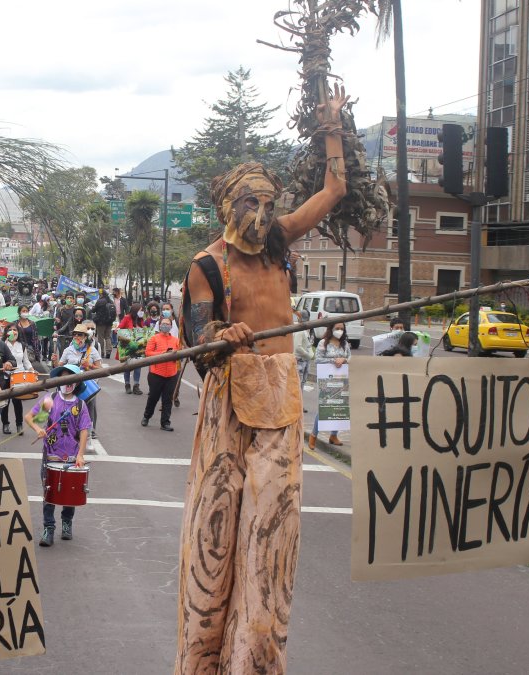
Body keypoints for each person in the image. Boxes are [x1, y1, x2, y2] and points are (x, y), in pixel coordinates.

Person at [176, 84, 350, 672]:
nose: (262, 214)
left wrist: (332, 129)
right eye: (251, 203)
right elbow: (197, 345)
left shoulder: (279, 242)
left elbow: (334, 191)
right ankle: (202, 660)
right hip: (230, 402)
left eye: (269, 203)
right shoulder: (207, 266)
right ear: (228, 206)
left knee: (271, 536)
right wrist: (219, 338)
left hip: (282, 397)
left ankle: (254, 660)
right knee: (216, 531)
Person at [23, 366, 90, 547]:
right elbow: (30, 417)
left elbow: (84, 430)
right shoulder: (51, 400)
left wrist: (80, 455)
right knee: (49, 492)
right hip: (51, 456)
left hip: (71, 457)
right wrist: (38, 429)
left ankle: (67, 523)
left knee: (70, 492)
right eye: (63, 378)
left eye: (70, 379)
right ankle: (49, 528)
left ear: (76, 383)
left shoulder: (80, 405)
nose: (66, 383)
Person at [309, 322, 350, 448]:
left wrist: (344, 359)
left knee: (339, 407)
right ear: (331, 329)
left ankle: (334, 435)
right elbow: (317, 359)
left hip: (342, 379)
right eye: (337, 328)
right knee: (325, 407)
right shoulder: (323, 343)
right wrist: (334, 360)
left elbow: (350, 357)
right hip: (327, 380)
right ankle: (313, 435)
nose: (340, 331)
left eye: (342, 329)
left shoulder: (345, 344)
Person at [57, 323, 101, 439]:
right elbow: (59, 367)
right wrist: (55, 361)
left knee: (89, 409)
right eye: (75, 334)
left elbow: (100, 369)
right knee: (69, 409)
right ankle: (71, 432)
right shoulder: (68, 350)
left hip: (88, 386)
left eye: (80, 334)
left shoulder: (92, 350)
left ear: (85, 337)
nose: (76, 337)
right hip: (71, 386)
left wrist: (89, 365)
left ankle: (89, 433)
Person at [142, 315, 179, 431]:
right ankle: (146, 416)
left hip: (172, 374)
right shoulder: (154, 338)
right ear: (159, 325)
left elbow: (180, 354)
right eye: (163, 324)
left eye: (168, 324)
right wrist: (163, 353)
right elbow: (148, 353)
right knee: (153, 397)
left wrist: (176, 355)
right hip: (156, 374)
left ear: (171, 326)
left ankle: (165, 423)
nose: (165, 326)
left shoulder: (176, 340)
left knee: (168, 400)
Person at [2, 322, 33, 436]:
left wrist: (32, 370)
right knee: (5, 402)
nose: (13, 332)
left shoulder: (22, 345)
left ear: (18, 332)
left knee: (17, 402)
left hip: (19, 377)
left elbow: (26, 361)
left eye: (15, 330)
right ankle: (5, 424)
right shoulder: (2, 345)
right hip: (5, 377)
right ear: (6, 333)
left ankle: (19, 425)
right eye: (10, 330)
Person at [117, 303, 147, 395]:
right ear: (135, 310)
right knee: (127, 366)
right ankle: (127, 385)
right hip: (127, 346)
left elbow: (144, 331)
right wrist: (120, 332)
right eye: (141, 310)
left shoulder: (141, 320)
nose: (142, 312)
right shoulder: (127, 318)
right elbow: (119, 328)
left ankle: (136, 386)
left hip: (138, 346)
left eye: (143, 311)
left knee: (138, 366)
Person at [293, 309, 314, 403]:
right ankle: (298, 404)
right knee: (298, 383)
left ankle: (300, 404)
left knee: (302, 382)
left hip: (305, 360)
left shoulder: (306, 330)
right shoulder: (300, 331)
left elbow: (308, 344)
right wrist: (308, 354)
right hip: (300, 360)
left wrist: (309, 355)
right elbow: (298, 347)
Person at [91, 292, 117, 358]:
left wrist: (93, 307)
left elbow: (93, 310)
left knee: (101, 337)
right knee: (108, 337)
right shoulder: (110, 301)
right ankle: (108, 352)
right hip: (109, 322)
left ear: (101, 295)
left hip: (100, 322)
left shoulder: (99, 301)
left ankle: (101, 352)